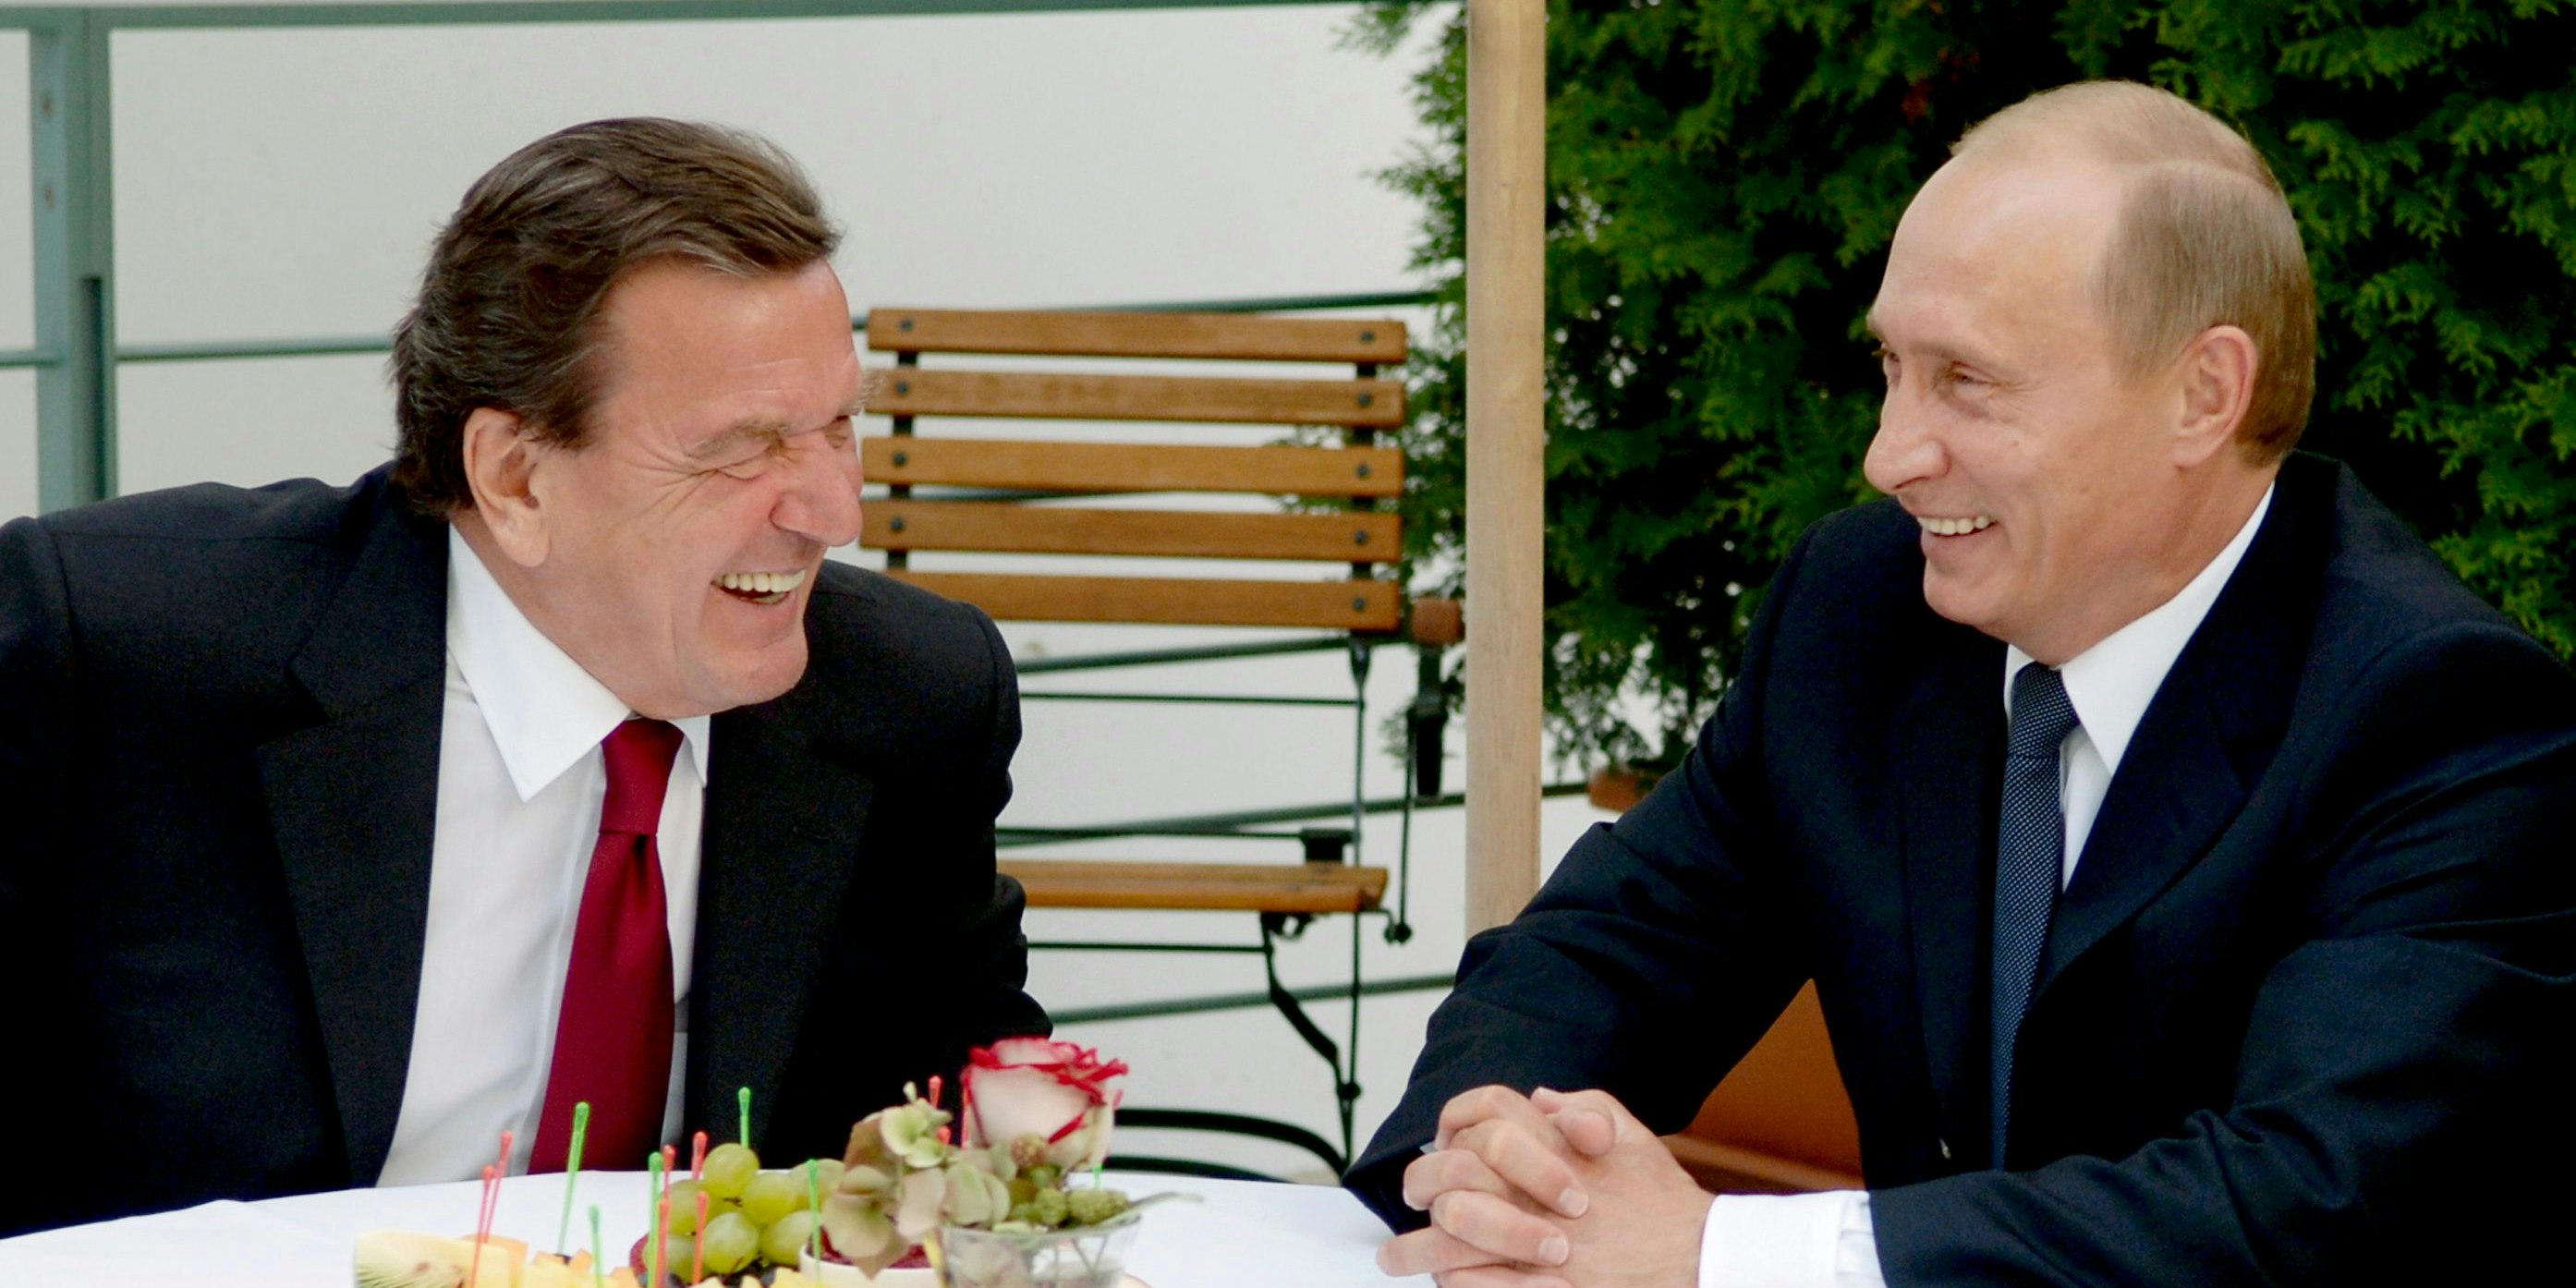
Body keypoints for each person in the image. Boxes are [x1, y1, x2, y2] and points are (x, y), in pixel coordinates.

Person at [1351, 80, 2576, 1286]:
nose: (1890, 453)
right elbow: (1613, 947)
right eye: (1890, 365)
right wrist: (1480, 1171)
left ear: (2202, 393)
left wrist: (1717, 1250)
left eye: (1967, 381)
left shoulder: (2438, 716)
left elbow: (2300, 1201)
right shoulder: (1861, 609)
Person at [0, 119, 1046, 1236]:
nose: (835, 513)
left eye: (838, 423)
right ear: (514, 479)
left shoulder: (909, 697)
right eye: (742, 447)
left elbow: (961, 1151)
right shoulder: (115, 650)